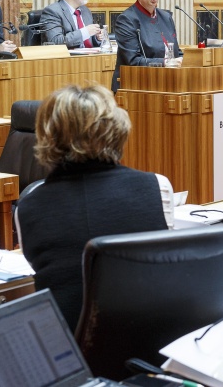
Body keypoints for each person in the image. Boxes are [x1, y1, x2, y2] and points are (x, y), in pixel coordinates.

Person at [16, 84, 173, 330]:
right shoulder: (157, 186)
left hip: (68, 351)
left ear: (48, 135)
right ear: (116, 128)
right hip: (149, 343)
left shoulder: (28, 207)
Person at [112, 0, 182, 92]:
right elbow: (132, 61)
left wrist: (182, 59)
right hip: (135, 87)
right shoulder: (127, 19)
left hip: (166, 83)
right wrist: (164, 63)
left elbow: (176, 51)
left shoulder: (166, 17)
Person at [40, 0, 105, 49]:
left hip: (90, 58)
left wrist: (97, 38)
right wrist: (85, 32)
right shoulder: (52, 11)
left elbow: (90, 41)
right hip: (68, 59)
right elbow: (55, 41)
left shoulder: (85, 11)